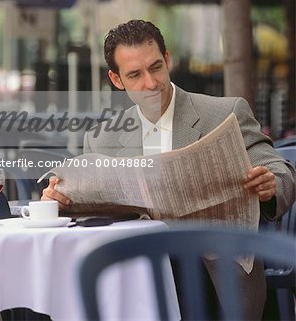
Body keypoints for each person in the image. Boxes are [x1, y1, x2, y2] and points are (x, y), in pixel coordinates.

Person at [42, 19, 295, 320]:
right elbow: (95, 211)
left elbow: (278, 171)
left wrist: (270, 185)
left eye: (156, 67)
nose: (150, 83)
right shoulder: (102, 137)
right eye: (135, 75)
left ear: (168, 60)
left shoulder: (224, 113)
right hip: (137, 272)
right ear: (116, 79)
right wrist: (63, 202)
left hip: (212, 271)